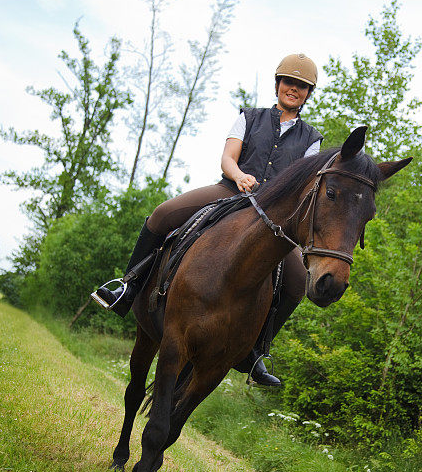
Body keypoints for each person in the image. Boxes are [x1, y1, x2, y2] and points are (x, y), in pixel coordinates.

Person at [93, 53, 323, 387]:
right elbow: (228, 157)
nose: (294, 89)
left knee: (298, 279)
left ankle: (256, 351)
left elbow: (302, 184)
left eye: (302, 86)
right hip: (229, 191)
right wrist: (240, 175)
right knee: (161, 215)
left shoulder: (311, 139)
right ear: (278, 84)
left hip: (271, 216)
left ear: (307, 93)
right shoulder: (249, 117)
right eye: (289, 82)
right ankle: (127, 287)